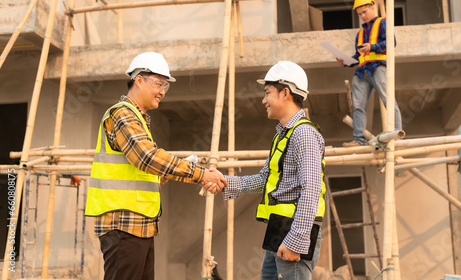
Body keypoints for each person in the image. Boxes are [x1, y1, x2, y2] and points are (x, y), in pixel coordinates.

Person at [85, 52, 227, 280]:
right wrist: (201, 175)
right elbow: (147, 157)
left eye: (166, 86)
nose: (162, 91)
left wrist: (158, 176)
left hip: (139, 225)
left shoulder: (138, 119)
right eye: (159, 83)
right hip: (123, 224)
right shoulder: (123, 114)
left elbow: (141, 166)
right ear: (139, 79)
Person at [211, 61, 326, 280]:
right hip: (279, 229)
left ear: (285, 93)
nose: (263, 100)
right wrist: (226, 181)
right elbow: (266, 179)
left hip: (294, 231)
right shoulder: (282, 135)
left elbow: (311, 190)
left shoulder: (304, 135)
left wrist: (297, 239)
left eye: (267, 93)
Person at [337, 0, 402, 147]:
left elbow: (391, 42)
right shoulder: (360, 34)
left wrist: (371, 47)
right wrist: (345, 62)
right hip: (362, 72)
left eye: (364, 12)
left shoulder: (382, 23)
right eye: (359, 14)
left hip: (378, 67)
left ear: (373, 8)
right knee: (358, 105)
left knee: (388, 99)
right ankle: (358, 140)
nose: (362, 16)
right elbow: (358, 56)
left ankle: (398, 133)